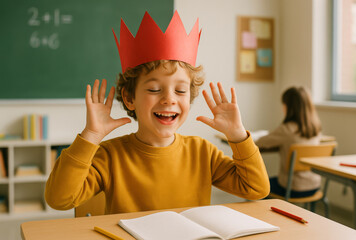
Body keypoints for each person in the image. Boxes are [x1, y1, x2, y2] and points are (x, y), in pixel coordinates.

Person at [45, 11, 269, 214]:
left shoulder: (203, 153)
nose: (169, 99)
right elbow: (59, 200)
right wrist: (91, 135)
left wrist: (238, 135)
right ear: (129, 98)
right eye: (154, 89)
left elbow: (256, 188)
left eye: (180, 91)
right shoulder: (109, 156)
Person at [255, 86, 322, 198]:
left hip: (292, 187)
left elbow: (259, 143)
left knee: (256, 185)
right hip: (314, 185)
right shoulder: (316, 129)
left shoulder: (287, 129)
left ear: (289, 107)